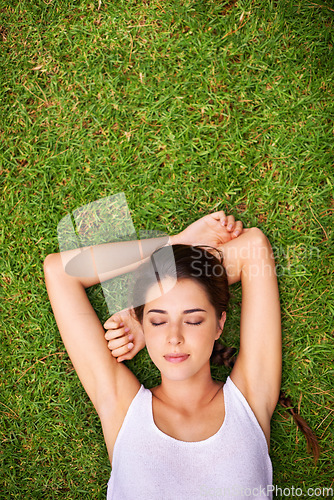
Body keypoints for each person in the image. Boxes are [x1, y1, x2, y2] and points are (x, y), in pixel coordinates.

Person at [44, 211, 317, 500]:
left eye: (193, 320)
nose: (174, 337)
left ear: (219, 324)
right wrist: (176, 242)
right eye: (159, 321)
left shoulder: (250, 397)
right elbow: (59, 271)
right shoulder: (121, 408)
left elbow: (253, 247)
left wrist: (149, 311)